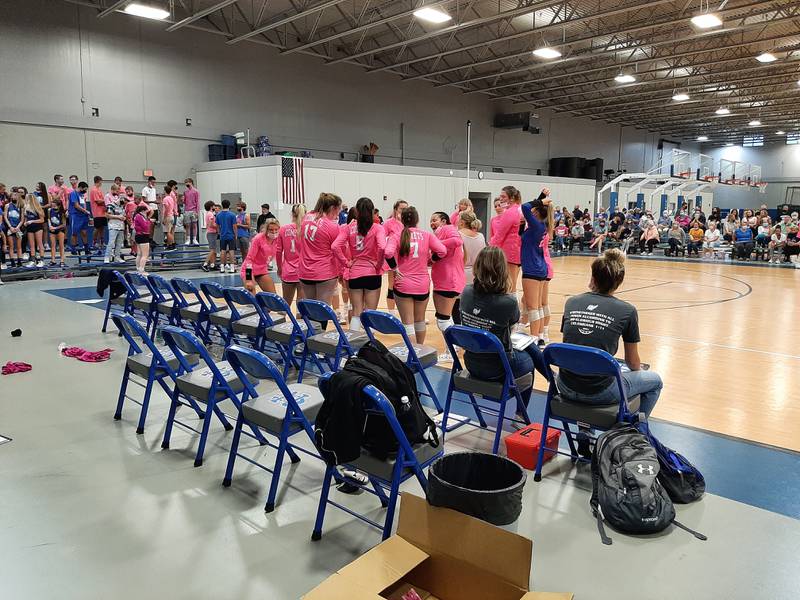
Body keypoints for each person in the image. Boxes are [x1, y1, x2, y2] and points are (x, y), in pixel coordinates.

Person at [558, 249, 662, 453]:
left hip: (565, 385)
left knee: (584, 365)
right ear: (618, 282)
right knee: (655, 382)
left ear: (593, 277)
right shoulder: (627, 310)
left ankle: (585, 432)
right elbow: (633, 363)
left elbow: (576, 345)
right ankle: (630, 434)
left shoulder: (572, 302)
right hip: (600, 392)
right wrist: (635, 369)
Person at [459, 246, 546, 421]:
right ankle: (522, 413)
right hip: (498, 368)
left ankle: (553, 380)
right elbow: (513, 325)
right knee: (529, 358)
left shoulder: (466, 292)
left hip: (471, 361)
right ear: (502, 270)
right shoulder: (507, 302)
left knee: (527, 346)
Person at [384, 206, 446, 344]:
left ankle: (412, 357)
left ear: (402, 220)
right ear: (417, 219)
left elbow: (387, 253)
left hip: (403, 283)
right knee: (420, 321)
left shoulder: (397, 235)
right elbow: (442, 251)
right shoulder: (427, 235)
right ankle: (420, 354)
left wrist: (394, 268)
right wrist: (431, 260)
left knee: (408, 324)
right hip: (422, 284)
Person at [332, 197, 386, 332]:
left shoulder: (348, 228)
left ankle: (353, 346)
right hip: (372, 273)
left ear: (357, 211)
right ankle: (369, 344)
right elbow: (383, 247)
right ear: (372, 211)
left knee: (356, 311)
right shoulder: (377, 228)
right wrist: (378, 265)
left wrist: (346, 263)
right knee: (371, 312)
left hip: (355, 272)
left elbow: (335, 246)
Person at [429, 211, 465, 360]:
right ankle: (453, 348)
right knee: (447, 317)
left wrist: (435, 244)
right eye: (430, 220)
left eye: (435, 220)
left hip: (448, 281)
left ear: (444, 221)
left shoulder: (448, 229)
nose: (432, 223)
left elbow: (457, 241)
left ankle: (451, 351)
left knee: (443, 319)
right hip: (445, 280)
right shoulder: (439, 234)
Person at [299, 193, 343, 303]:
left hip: (305, 271)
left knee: (311, 308)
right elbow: (338, 250)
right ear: (333, 208)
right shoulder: (332, 226)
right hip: (324, 272)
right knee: (322, 310)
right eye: (339, 209)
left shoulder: (306, 218)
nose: (339, 213)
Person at [520, 198, 551, 343]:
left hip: (532, 268)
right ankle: (539, 337)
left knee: (533, 307)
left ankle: (533, 339)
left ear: (537, 212)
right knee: (537, 306)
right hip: (539, 267)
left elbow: (525, 207)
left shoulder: (537, 226)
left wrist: (539, 200)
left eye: (534, 210)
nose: (531, 212)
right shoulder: (539, 227)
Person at [490, 186, 523, 291]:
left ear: (512, 198)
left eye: (503, 196)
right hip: (517, 250)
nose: (501, 199)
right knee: (512, 283)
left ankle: (511, 306)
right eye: (500, 196)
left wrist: (489, 249)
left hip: (509, 252)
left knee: (509, 285)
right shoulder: (520, 209)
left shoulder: (510, 212)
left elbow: (500, 234)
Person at [275, 204, 305, 305]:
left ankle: (282, 320)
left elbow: (278, 252)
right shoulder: (307, 230)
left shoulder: (283, 229)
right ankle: (299, 320)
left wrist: (279, 268)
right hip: (304, 271)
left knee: (285, 304)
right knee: (301, 305)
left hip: (288, 271)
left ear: (292, 214)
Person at [382, 199, 408, 313]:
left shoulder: (409, 222)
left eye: (406, 209)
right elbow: (382, 239)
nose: (404, 211)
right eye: (402, 209)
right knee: (392, 285)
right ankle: (391, 312)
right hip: (393, 259)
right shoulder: (388, 223)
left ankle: (407, 311)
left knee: (406, 286)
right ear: (396, 209)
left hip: (407, 259)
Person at [241, 218, 280, 293]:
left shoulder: (277, 239)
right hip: (249, 269)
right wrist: (248, 279)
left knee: (273, 297)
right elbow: (249, 259)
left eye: (276, 229)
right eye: (271, 230)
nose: (274, 232)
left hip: (262, 270)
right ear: (266, 229)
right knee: (251, 293)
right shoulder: (258, 239)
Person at [458, 210, 486, 285]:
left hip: (461, 272)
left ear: (462, 222)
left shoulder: (458, 234)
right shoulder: (481, 236)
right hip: (478, 272)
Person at [22, 194, 45, 267]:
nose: (25, 200)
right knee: (31, 245)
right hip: (30, 228)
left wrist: (32, 221)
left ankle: (41, 260)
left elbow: (42, 220)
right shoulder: (25, 208)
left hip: (38, 227)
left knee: (39, 244)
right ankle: (32, 260)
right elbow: (26, 219)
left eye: (27, 198)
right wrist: (25, 223)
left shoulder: (37, 207)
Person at [68, 181, 91, 256]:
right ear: (80, 187)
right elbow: (76, 205)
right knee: (74, 233)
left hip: (83, 216)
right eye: (84, 189)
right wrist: (85, 211)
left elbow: (83, 204)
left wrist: (86, 213)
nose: (85, 191)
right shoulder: (73, 194)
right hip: (75, 215)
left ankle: (86, 249)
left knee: (84, 232)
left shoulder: (82, 195)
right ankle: (73, 249)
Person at [104, 187, 126, 263]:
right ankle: (107, 257)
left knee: (119, 243)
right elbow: (107, 215)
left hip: (121, 227)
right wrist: (118, 217)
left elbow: (123, 215)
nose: (124, 201)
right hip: (113, 226)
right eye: (123, 199)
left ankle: (117, 257)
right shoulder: (111, 205)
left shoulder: (122, 207)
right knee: (111, 242)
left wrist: (123, 218)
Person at [216, 198, 237, 273]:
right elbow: (234, 226)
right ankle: (232, 268)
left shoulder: (218, 215)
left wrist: (219, 233)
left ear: (222, 205)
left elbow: (217, 226)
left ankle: (222, 267)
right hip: (231, 235)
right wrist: (236, 235)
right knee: (231, 251)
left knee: (222, 251)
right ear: (229, 205)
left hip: (223, 235)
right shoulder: (232, 215)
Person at [47, 197, 67, 267]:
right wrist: (50, 226)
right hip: (52, 229)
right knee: (53, 245)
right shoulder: (49, 210)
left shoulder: (62, 213)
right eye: (52, 206)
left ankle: (62, 260)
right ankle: (53, 260)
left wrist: (55, 228)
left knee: (61, 245)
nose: (53, 207)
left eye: (54, 206)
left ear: (59, 206)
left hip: (60, 229)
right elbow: (49, 219)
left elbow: (64, 224)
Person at [132, 205, 151, 274]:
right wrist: (148, 221)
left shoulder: (137, 216)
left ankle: (138, 268)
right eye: (146, 211)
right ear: (143, 211)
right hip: (143, 235)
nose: (147, 213)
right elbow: (145, 226)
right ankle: (141, 270)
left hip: (139, 235)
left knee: (139, 254)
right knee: (145, 255)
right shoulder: (139, 216)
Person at [201, 201, 219, 272]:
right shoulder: (211, 214)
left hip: (211, 233)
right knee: (212, 250)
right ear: (211, 207)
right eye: (214, 206)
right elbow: (212, 224)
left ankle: (212, 264)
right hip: (212, 233)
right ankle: (205, 264)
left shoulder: (208, 214)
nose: (215, 207)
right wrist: (218, 226)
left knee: (214, 250)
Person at [183, 178, 200, 245]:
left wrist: (197, 211)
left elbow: (197, 202)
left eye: (187, 182)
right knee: (187, 225)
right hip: (187, 210)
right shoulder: (185, 192)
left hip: (194, 210)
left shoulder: (196, 191)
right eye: (185, 183)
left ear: (191, 182)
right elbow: (184, 202)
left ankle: (194, 239)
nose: (186, 184)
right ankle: (188, 239)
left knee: (194, 225)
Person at [161, 185, 176, 250]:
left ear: (165, 191)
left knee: (168, 232)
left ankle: (170, 245)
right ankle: (172, 244)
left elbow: (166, 209)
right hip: (172, 215)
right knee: (171, 231)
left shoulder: (165, 199)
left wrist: (164, 218)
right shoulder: (171, 198)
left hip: (168, 216)